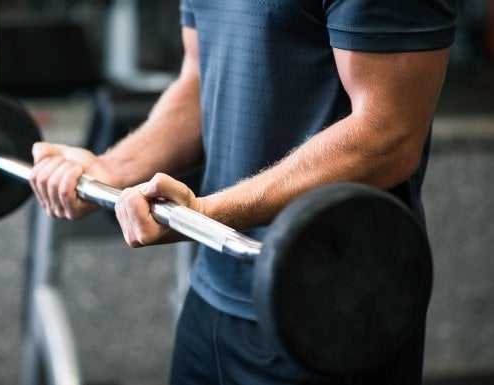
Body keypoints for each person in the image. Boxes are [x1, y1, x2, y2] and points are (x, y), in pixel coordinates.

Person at [29, 1, 458, 384]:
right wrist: (110, 168)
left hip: (330, 304)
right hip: (212, 294)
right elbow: (198, 83)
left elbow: (387, 137)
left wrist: (209, 213)